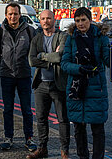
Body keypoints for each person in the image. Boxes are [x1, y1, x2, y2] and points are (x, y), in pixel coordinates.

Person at [61, 7, 110, 159]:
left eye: (83, 20)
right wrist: (80, 68)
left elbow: (108, 61)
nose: (80, 24)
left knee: (97, 128)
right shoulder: (71, 38)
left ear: (90, 20)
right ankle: (83, 157)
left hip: (96, 87)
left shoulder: (101, 37)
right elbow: (64, 63)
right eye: (77, 21)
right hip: (76, 87)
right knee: (78, 128)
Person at [0, 2, 37, 152]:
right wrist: (5, 66)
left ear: (20, 15)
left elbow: (34, 52)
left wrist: (25, 64)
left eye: (15, 14)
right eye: (10, 14)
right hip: (7, 76)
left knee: (27, 109)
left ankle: (29, 138)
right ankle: (8, 137)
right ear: (6, 15)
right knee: (8, 109)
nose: (13, 16)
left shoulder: (30, 31)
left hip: (24, 75)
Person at [27, 10, 70, 159]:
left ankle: (64, 151)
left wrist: (43, 56)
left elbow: (59, 56)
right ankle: (42, 148)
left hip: (58, 83)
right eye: (43, 19)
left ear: (54, 19)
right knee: (40, 118)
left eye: (49, 18)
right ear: (40, 20)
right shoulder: (36, 39)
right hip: (41, 85)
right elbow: (32, 61)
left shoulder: (62, 36)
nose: (46, 21)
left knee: (63, 119)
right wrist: (49, 60)